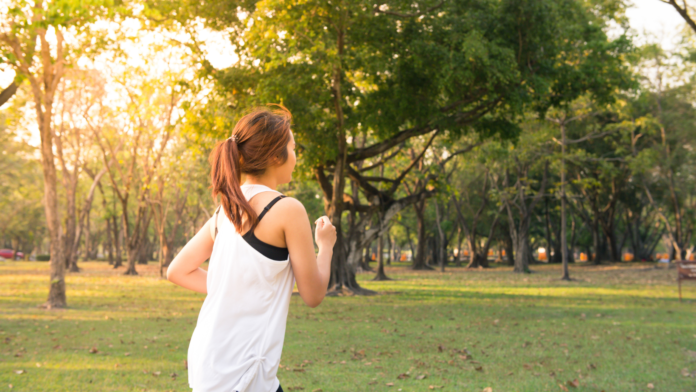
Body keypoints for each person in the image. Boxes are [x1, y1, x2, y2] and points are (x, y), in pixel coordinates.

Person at [166, 106, 337, 392]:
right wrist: (326, 246)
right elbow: (314, 294)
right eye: (293, 149)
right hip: (244, 368)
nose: (296, 157)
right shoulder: (287, 209)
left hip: (209, 359)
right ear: (274, 156)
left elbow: (177, 271)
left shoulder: (225, 211)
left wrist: (232, 287)